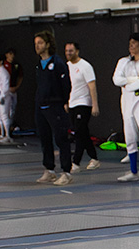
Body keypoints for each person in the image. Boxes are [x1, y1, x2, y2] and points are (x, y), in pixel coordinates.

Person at [112, 32, 139, 182]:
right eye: (130, 43)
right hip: (126, 101)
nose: (131, 46)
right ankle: (133, 172)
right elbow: (116, 79)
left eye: (134, 43)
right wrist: (133, 80)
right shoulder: (123, 62)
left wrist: (128, 83)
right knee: (129, 136)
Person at [33, 30, 73, 186]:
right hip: (41, 105)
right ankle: (49, 169)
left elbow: (66, 85)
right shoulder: (39, 65)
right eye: (36, 44)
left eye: (40, 43)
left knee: (61, 138)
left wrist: (64, 101)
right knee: (44, 138)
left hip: (55, 105)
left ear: (48, 44)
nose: (37, 46)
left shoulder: (58, 63)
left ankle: (66, 172)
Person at [64, 41, 101, 171]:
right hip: (72, 103)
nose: (68, 53)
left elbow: (92, 86)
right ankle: (94, 158)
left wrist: (94, 105)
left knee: (80, 132)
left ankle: (76, 162)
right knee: (82, 132)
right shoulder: (67, 66)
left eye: (71, 51)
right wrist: (66, 102)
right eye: (67, 51)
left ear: (77, 51)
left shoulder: (85, 66)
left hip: (84, 103)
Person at [4, 47, 24, 134]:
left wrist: (16, 87)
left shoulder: (16, 65)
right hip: (5, 90)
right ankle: (5, 130)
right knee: (5, 110)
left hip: (13, 90)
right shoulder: (3, 65)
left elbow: (20, 76)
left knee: (12, 109)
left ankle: (11, 126)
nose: (12, 56)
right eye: (10, 54)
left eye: (13, 54)